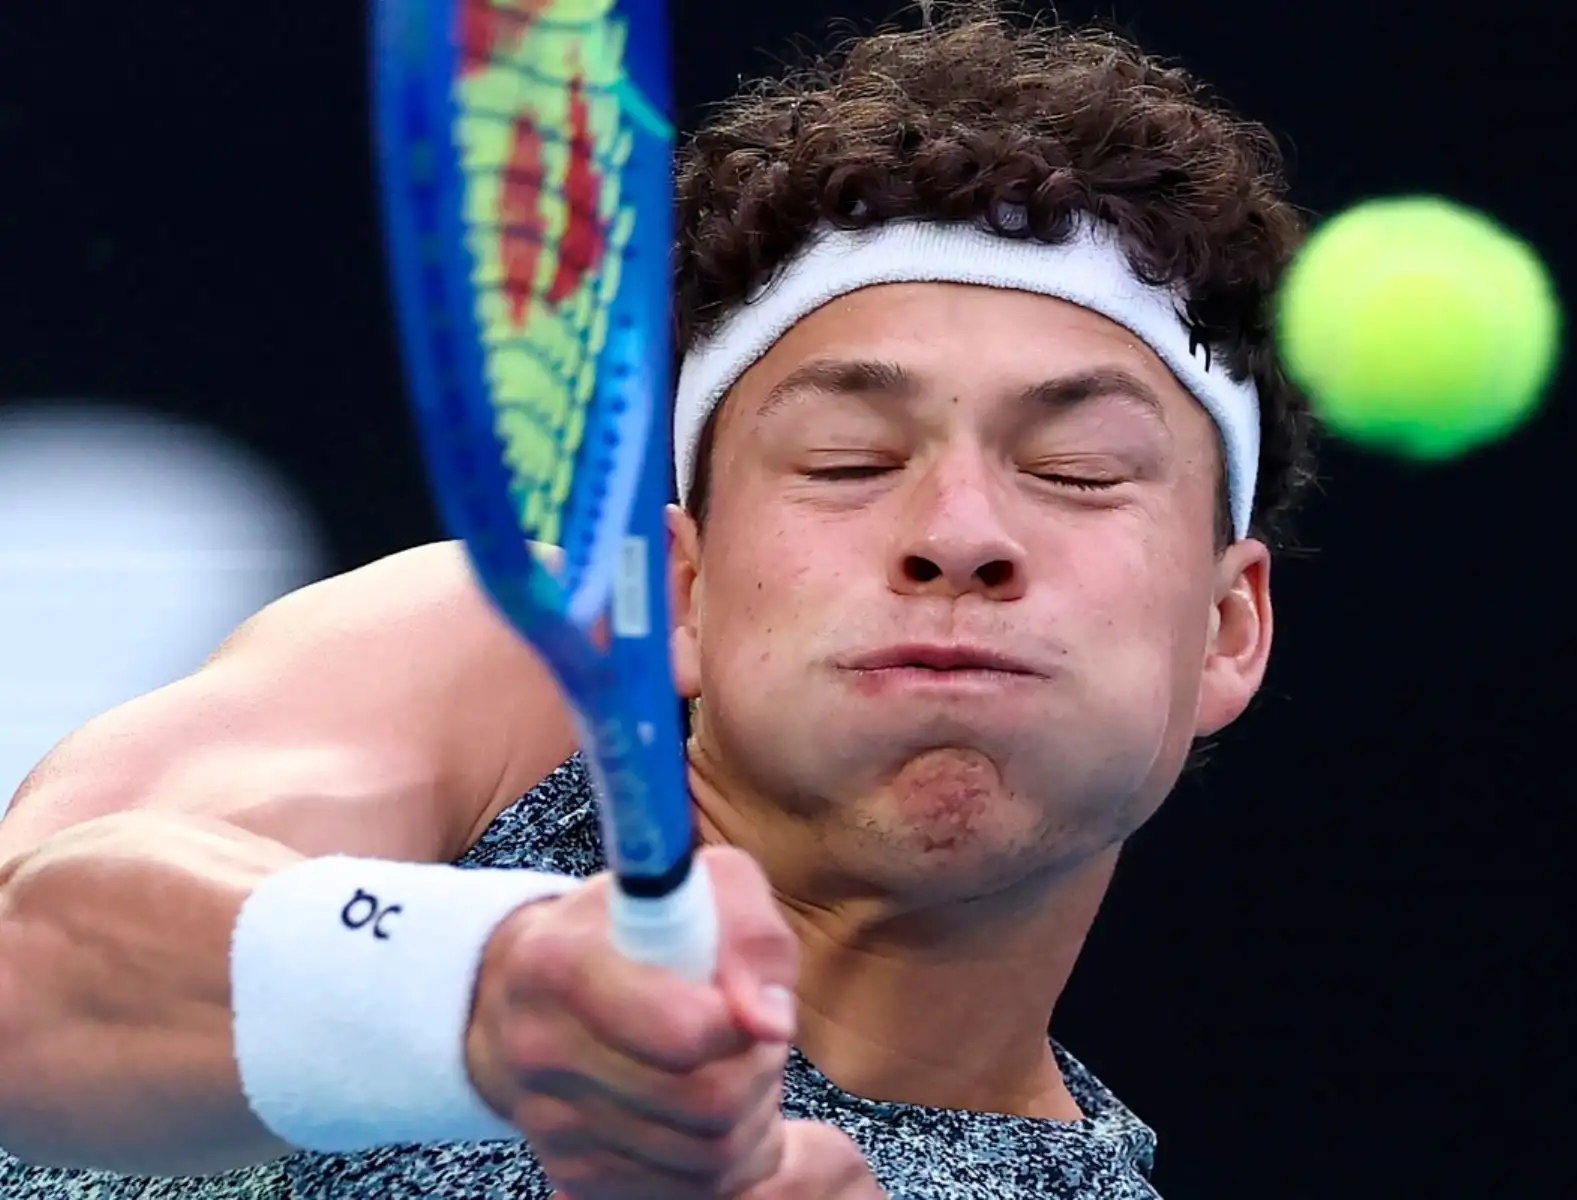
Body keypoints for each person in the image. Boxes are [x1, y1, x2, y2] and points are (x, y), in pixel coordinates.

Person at [0, 6, 1313, 1198]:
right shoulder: (509, 675)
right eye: (849, 464)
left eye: (1076, 475)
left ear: (1227, 630)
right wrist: (500, 994)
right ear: (680, 586)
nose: (960, 534)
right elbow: (27, 966)